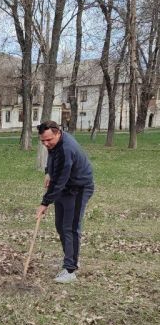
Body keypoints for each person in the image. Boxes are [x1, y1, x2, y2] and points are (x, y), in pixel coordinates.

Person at [36, 120, 94, 283]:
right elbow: (52, 158)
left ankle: (70, 270)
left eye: (49, 140)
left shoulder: (66, 149)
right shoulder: (54, 144)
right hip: (65, 188)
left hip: (78, 189)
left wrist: (44, 203)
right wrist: (48, 172)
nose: (46, 144)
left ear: (58, 133)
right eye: (43, 141)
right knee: (60, 225)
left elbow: (60, 180)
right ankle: (72, 257)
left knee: (70, 227)